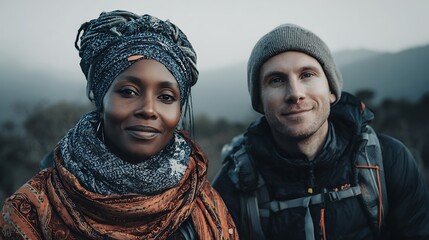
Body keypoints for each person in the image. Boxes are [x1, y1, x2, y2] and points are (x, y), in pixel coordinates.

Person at [0, 10, 238, 240]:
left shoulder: (203, 203)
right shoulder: (32, 209)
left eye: (166, 97)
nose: (148, 109)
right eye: (128, 91)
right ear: (101, 100)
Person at [212, 23, 429, 240]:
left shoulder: (387, 160)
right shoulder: (234, 185)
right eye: (276, 80)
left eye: (307, 75)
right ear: (259, 101)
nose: (295, 93)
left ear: (332, 91)